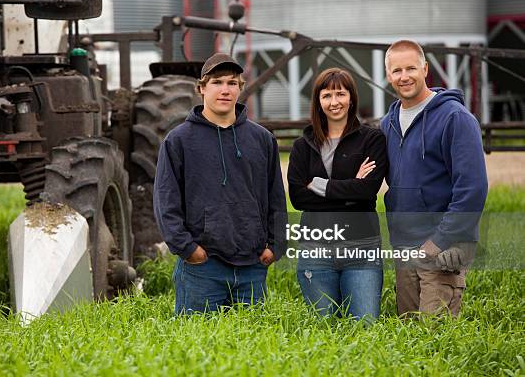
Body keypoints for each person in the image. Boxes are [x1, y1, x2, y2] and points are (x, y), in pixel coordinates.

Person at [153, 53, 287, 315]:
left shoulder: (261, 139)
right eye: (217, 82)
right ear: (202, 88)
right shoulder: (178, 141)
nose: (225, 90)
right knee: (198, 350)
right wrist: (189, 250)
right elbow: (165, 201)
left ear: (240, 88)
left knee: (254, 348)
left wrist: (275, 246)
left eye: (232, 83)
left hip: (252, 266)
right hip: (202, 268)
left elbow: (276, 198)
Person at [381, 40, 488, 317]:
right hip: (405, 245)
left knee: (434, 334)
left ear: (425, 69)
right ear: (388, 75)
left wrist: (438, 241)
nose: (404, 76)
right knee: (407, 329)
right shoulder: (388, 123)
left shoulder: (455, 118)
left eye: (411, 68)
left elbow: (472, 189)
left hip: (443, 246)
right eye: (396, 71)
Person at [288, 67, 388, 320]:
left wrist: (319, 185)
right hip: (316, 250)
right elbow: (298, 198)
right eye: (327, 96)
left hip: (361, 249)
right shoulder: (302, 146)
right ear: (318, 102)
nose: (334, 102)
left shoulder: (372, 140)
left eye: (340, 94)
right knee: (324, 328)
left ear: (351, 98)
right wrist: (350, 186)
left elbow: (367, 191)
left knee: (364, 325)